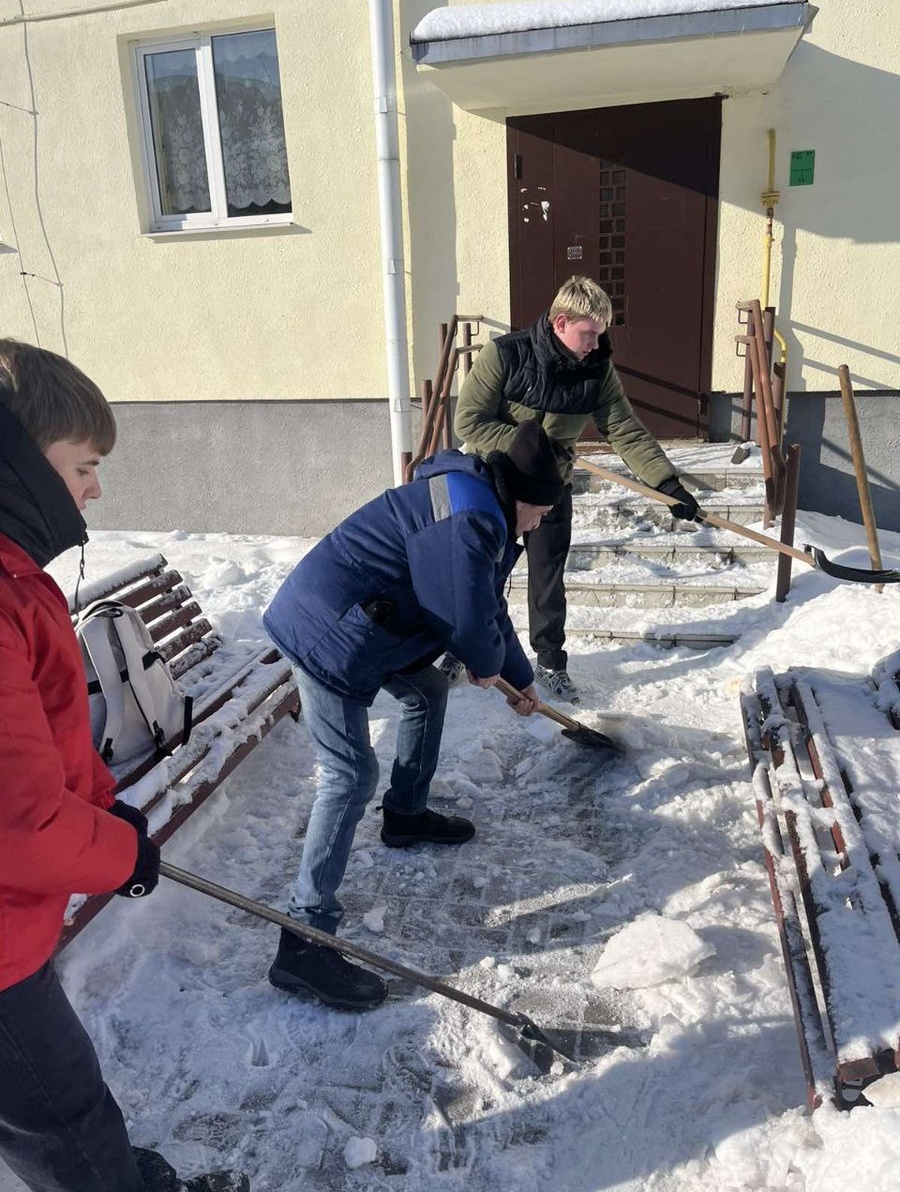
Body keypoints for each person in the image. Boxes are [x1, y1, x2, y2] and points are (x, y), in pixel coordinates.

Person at [0, 339, 247, 1192]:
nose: (95, 490)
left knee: (53, 1105)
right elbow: (21, 823)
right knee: (64, 1114)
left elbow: (43, 745)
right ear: (18, 461)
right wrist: (119, 854)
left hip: (13, 917)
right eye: (83, 467)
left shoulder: (15, 578)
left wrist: (106, 815)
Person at [262, 420, 565, 1011]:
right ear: (525, 498)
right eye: (542, 514)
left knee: (426, 690)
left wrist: (518, 677)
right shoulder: (471, 518)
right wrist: (485, 663)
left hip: (371, 621)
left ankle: (404, 815)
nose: (539, 525)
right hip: (329, 632)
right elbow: (464, 620)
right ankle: (303, 938)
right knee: (350, 776)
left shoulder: (481, 503)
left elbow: (485, 604)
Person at [454, 275, 700, 704]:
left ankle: (550, 663)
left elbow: (623, 429)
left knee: (548, 580)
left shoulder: (597, 370)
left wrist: (666, 482)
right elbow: (469, 422)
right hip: (493, 485)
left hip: (550, 490)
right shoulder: (505, 355)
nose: (594, 343)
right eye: (589, 333)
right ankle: (460, 648)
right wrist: (530, 447)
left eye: (600, 334)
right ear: (561, 322)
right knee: (479, 572)